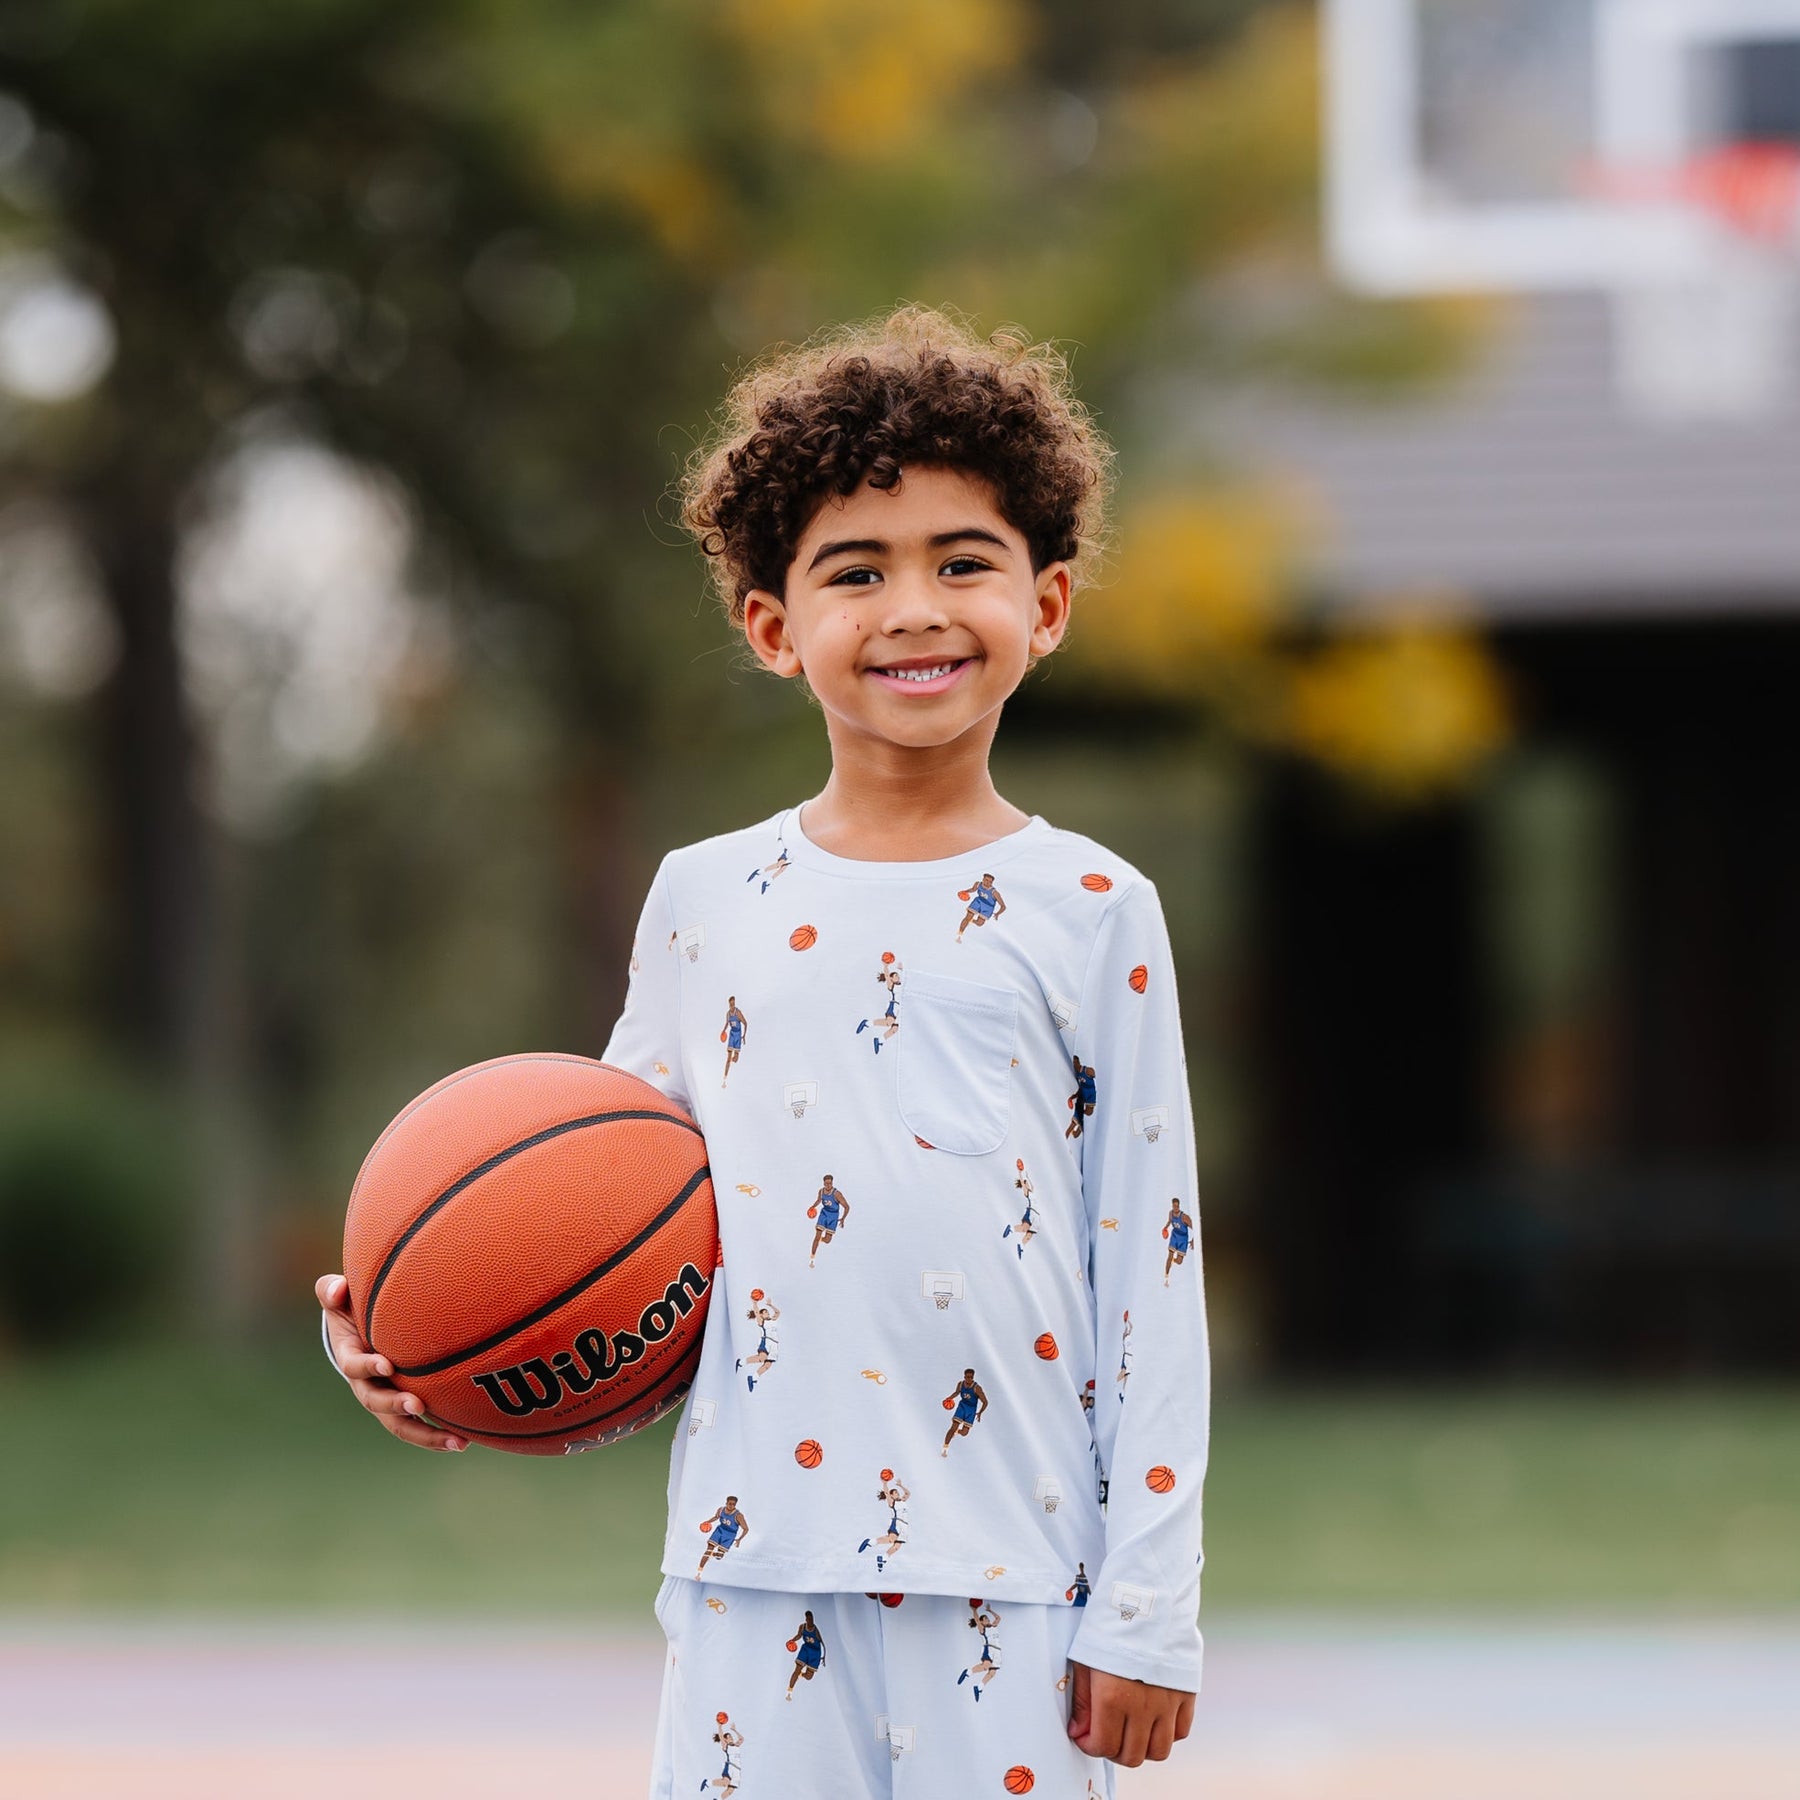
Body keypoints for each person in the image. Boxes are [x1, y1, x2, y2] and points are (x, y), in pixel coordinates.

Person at [316, 303, 1210, 1795]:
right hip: (749, 1569)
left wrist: (1149, 1604)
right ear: (774, 627)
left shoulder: (1098, 910)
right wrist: (420, 1335)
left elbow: (1153, 1268)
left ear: (1045, 606)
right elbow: (614, 1216)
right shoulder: (706, 902)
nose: (913, 607)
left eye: (963, 563)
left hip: (1020, 1572)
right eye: (855, 573)